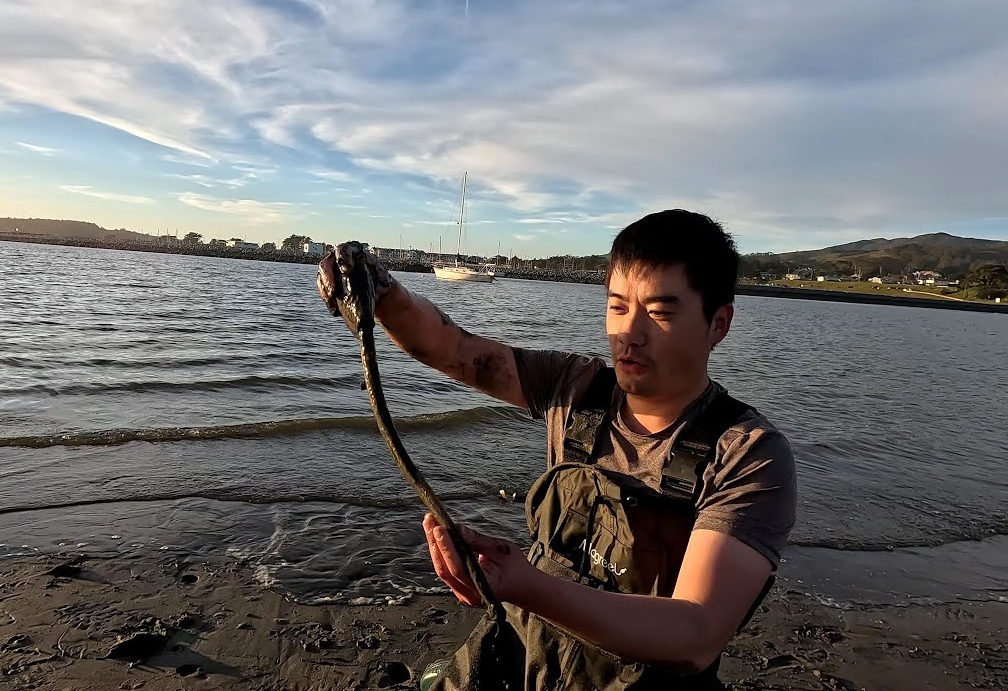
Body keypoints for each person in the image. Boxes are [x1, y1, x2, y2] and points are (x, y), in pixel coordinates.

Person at [317, 210, 796, 689]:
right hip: (526, 652)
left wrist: (525, 585)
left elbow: (694, 635)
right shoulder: (575, 388)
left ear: (719, 323)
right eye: (617, 306)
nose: (630, 332)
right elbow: (453, 349)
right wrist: (382, 293)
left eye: (660, 312)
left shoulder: (747, 454)